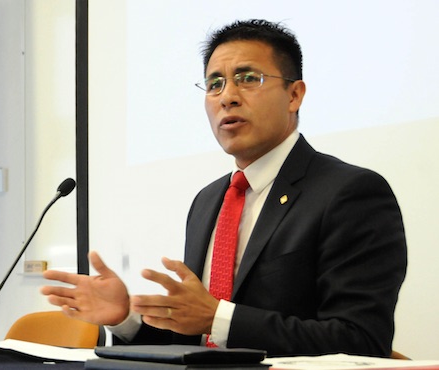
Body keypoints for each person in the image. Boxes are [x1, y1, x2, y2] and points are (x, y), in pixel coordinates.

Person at [41, 19, 407, 357]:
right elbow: (194, 343)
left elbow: (361, 341)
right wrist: (126, 317)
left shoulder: (350, 193)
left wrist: (218, 317)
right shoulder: (210, 200)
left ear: (294, 95)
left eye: (248, 78)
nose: (227, 96)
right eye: (215, 83)